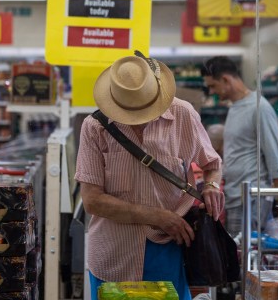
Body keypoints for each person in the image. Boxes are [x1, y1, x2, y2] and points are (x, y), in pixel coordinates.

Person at [75, 53, 224, 300]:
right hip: (114, 252)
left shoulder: (182, 115)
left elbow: (213, 163)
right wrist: (157, 216)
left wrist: (210, 185)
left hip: (170, 248)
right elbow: (92, 200)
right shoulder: (95, 128)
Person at [202, 56, 278, 237]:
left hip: (251, 200)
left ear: (226, 80)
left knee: (243, 257)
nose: (211, 92)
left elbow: (274, 157)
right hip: (235, 197)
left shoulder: (259, 108)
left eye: (213, 86)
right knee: (236, 255)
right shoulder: (235, 107)